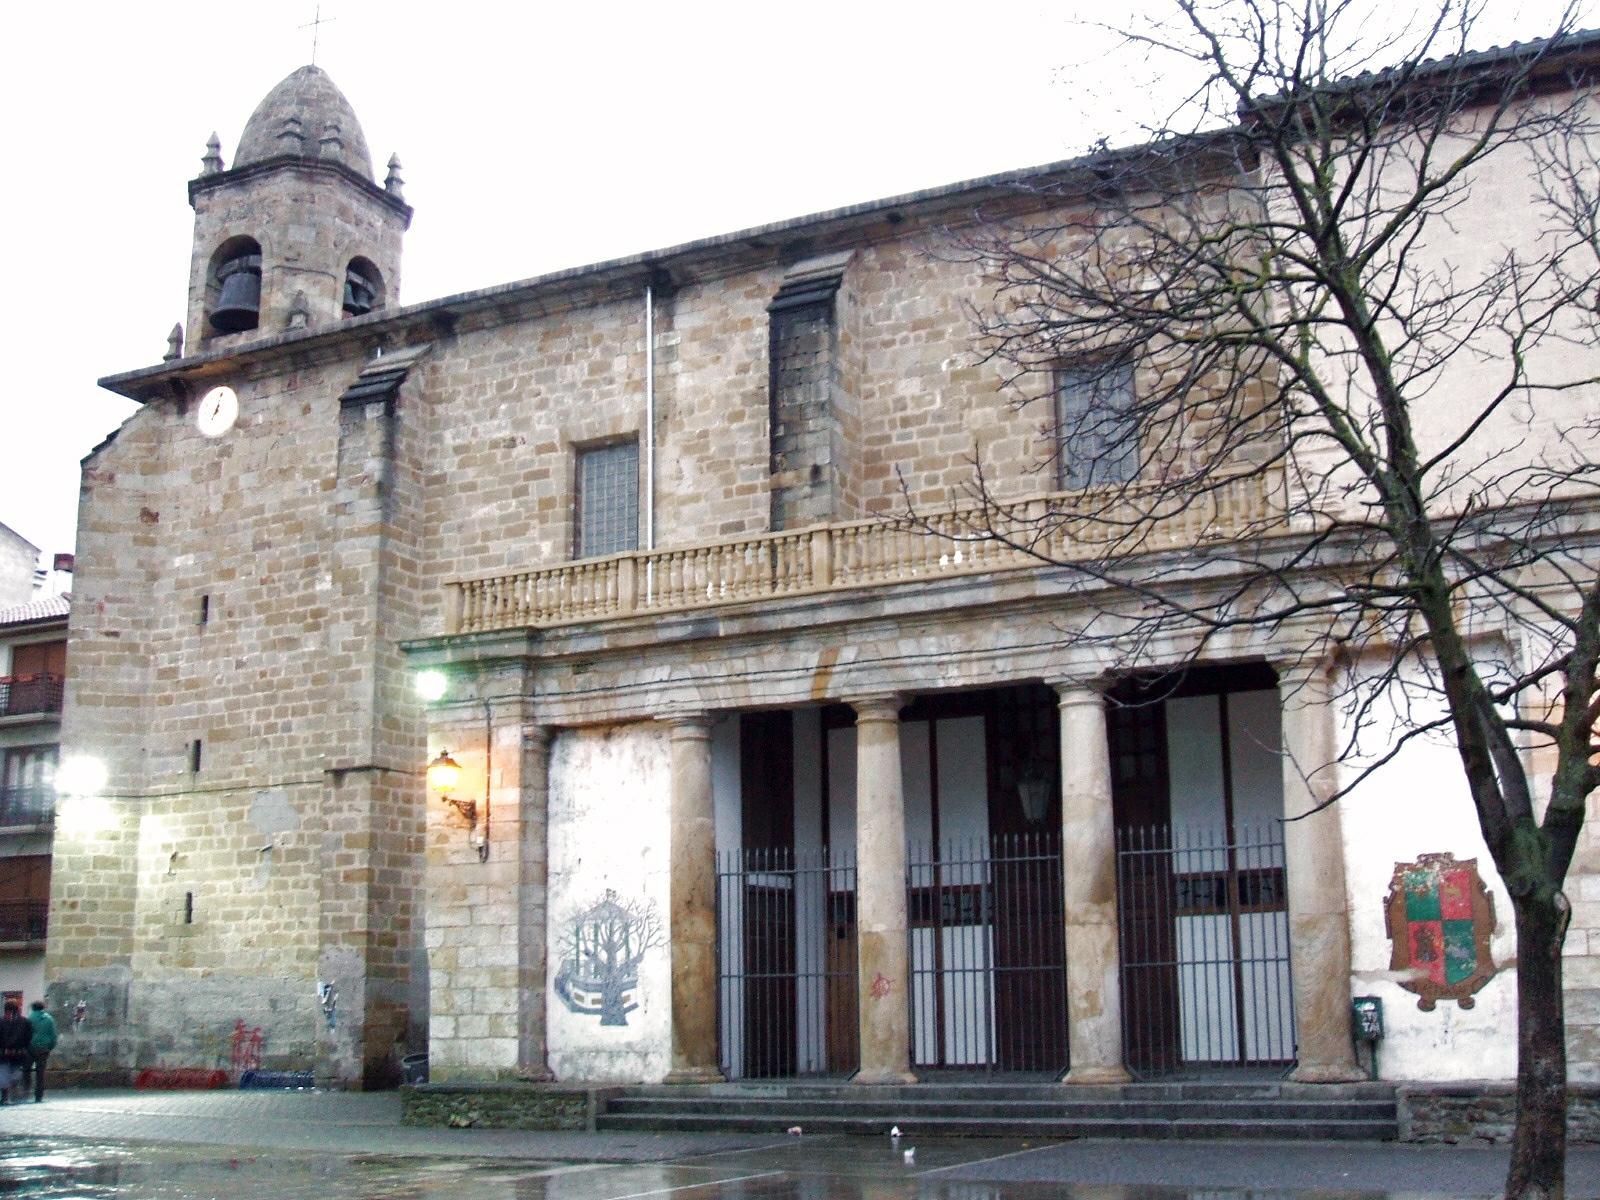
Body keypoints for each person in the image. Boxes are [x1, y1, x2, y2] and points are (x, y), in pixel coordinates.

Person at [25, 1002, 56, 1103]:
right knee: (40, 1073)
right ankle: (39, 1095)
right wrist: (49, 1047)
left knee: (26, 1069)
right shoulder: (49, 1019)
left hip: (30, 1047)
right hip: (44, 1049)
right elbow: (53, 1035)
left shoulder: (29, 1018)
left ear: (33, 1008)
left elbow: (25, 1034)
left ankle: (26, 1090)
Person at [0, 1002, 30, 1104]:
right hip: (17, 1052)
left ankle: (6, 1096)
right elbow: (28, 1037)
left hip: (6, 1052)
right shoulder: (25, 1022)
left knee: (6, 1074)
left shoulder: (2, 1021)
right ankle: (10, 1095)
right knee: (12, 1073)